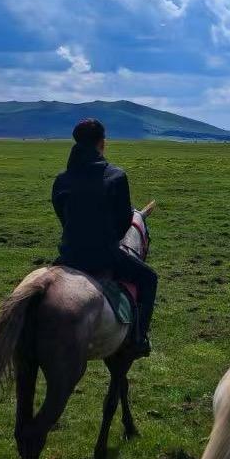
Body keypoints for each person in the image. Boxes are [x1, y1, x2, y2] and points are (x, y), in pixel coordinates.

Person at [52, 118, 156, 356]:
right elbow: (123, 222)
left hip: (68, 255)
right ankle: (138, 338)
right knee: (149, 279)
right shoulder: (116, 176)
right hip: (104, 255)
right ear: (102, 143)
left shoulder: (61, 179)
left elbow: (62, 217)